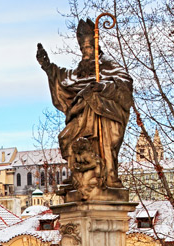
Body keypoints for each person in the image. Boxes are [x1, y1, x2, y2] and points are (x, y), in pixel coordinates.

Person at [36, 18, 134, 192]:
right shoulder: (81, 70)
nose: (85, 52)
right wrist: (47, 66)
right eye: (82, 49)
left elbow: (124, 85)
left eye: (88, 48)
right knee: (66, 139)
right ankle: (78, 176)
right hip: (81, 115)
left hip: (103, 115)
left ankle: (106, 176)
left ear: (96, 47)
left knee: (103, 146)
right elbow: (64, 79)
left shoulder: (108, 65)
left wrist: (102, 87)